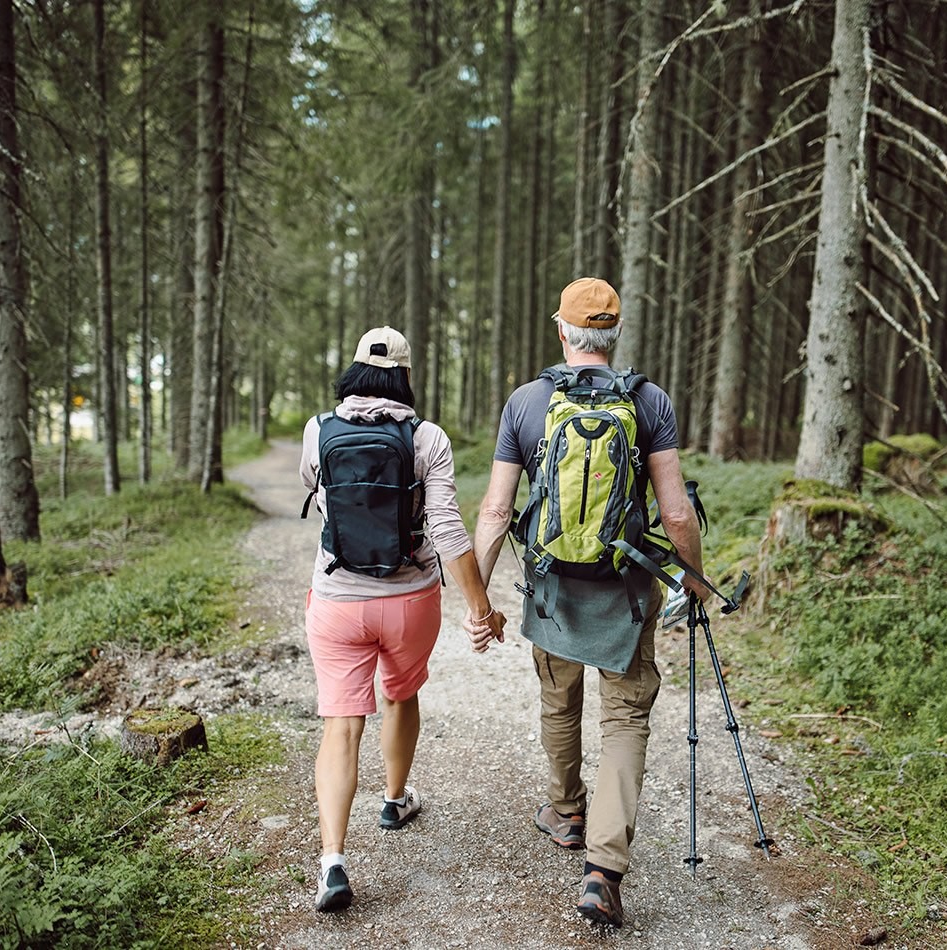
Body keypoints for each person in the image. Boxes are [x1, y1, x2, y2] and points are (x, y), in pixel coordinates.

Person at [467, 278, 708, 929]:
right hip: (626, 593)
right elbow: (676, 511)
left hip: (552, 592)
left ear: (562, 331)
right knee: (625, 719)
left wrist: (476, 597)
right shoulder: (648, 400)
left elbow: (494, 511)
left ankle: (565, 810)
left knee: (558, 698)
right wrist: (694, 577)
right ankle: (603, 871)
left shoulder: (527, 401)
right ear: (615, 333)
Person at [301, 326, 506, 913]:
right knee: (400, 693)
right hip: (410, 599)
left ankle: (333, 863)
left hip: (337, 598)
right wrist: (479, 609)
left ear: (355, 370)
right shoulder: (427, 438)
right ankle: (394, 800)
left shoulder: (318, 429)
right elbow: (445, 530)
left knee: (341, 725)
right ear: (406, 377)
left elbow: (316, 500)